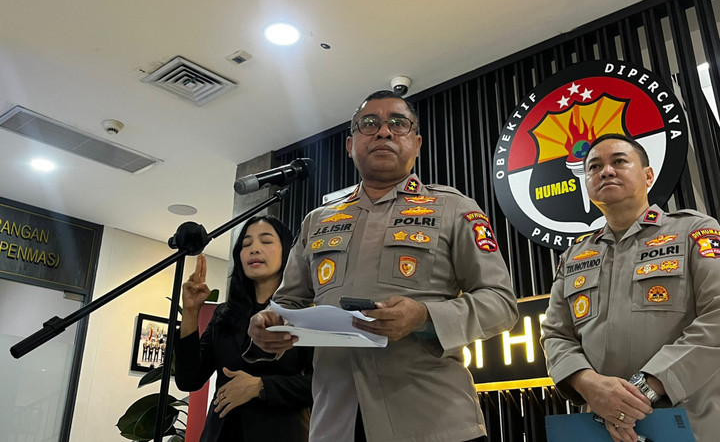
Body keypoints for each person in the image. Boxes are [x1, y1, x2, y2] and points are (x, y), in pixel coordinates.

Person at [248, 90, 519, 442]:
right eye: (369, 123)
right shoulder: (317, 220)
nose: (384, 131)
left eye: (398, 123)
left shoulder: (454, 208)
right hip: (335, 422)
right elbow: (286, 304)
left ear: (416, 143)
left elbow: (501, 304)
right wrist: (268, 324)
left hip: (433, 421)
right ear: (350, 145)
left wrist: (423, 317)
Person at [541, 133, 720, 442]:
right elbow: (556, 334)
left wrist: (645, 388)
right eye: (594, 167)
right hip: (600, 426)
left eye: (619, 161)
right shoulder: (573, 256)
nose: (606, 171)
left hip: (689, 421)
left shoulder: (694, 230)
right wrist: (588, 384)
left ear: (648, 175)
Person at [175, 215, 313, 442]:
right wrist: (190, 311)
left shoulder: (303, 314)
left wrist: (261, 386)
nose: (254, 249)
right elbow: (189, 380)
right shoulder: (225, 314)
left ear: (288, 252)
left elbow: (320, 385)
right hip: (220, 434)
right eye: (246, 244)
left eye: (266, 241)